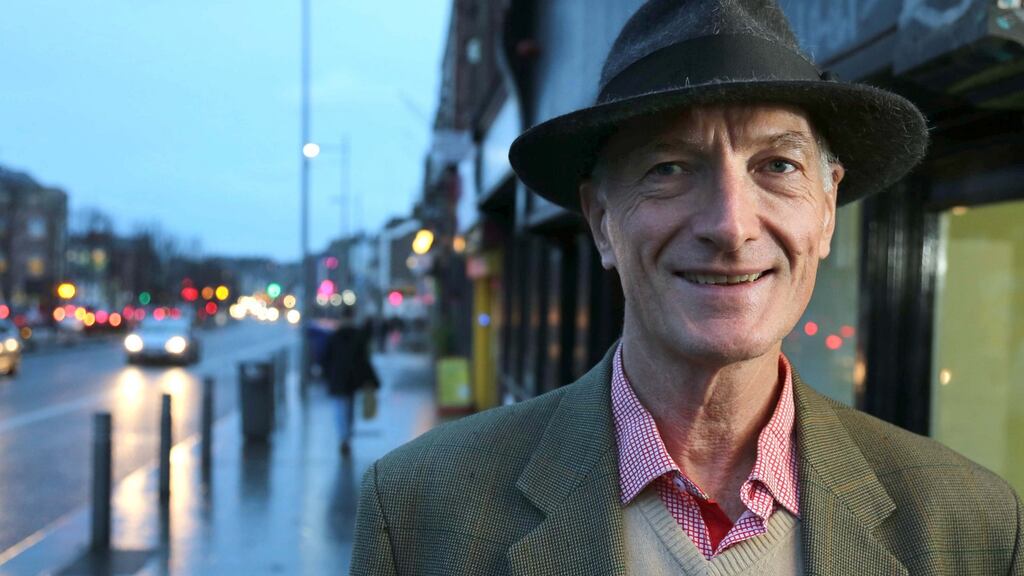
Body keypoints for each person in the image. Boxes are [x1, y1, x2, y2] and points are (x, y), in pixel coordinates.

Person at [351, 1, 1023, 574]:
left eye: (778, 165)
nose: (731, 225)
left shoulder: (971, 527)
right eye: (669, 167)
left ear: (825, 210)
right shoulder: (420, 512)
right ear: (602, 222)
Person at [324, 306, 378, 455]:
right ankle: (346, 436)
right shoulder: (357, 335)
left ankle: (344, 437)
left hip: (338, 378)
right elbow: (363, 359)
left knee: (340, 408)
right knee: (349, 408)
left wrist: (327, 375)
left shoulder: (335, 336)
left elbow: (326, 359)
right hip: (352, 379)